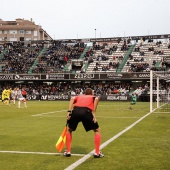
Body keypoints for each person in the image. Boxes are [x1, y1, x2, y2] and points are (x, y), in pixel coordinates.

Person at [64, 88, 104, 158]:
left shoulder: (80, 96)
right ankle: (97, 153)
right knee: (97, 130)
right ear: (91, 93)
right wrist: (94, 115)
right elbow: (97, 99)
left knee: (69, 130)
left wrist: (69, 112)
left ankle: (68, 151)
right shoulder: (92, 97)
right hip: (86, 111)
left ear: (85, 93)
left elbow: (72, 98)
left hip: (75, 111)